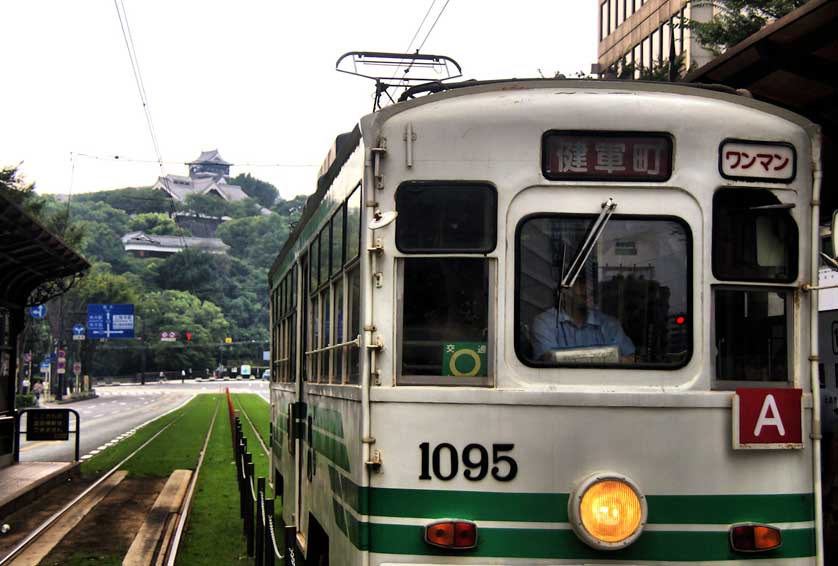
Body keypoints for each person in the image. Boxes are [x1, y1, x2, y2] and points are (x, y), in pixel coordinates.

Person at [531, 271, 635, 363]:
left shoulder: (609, 324)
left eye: (588, 284)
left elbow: (630, 358)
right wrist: (609, 359)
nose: (586, 288)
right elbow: (548, 360)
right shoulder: (544, 322)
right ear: (562, 294)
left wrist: (565, 358)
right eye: (579, 283)